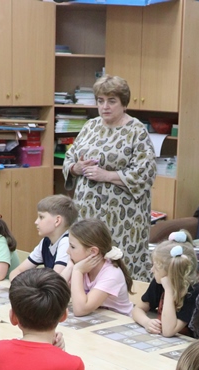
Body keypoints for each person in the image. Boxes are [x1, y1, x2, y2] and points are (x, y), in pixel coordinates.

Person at [62, 75, 156, 281]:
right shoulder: (90, 126)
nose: (105, 106)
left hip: (123, 217)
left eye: (111, 101)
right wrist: (76, 167)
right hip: (88, 212)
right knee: (89, 260)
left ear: (124, 103)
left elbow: (146, 172)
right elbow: (69, 158)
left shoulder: (136, 130)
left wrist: (107, 175)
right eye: (100, 100)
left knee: (120, 265)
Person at [130, 230, 199, 338]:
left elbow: (168, 331)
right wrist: (146, 322)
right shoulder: (159, 282)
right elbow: (137, 309)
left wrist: (168, 289)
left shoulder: (194, 291)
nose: (152, 270)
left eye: (156, 268)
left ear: (172, 272)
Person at [65, 218, 133, 317]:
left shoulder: (111, 273)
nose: (67, 251)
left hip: (120, 322)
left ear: (93, 252)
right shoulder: (82, 266)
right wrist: (69, 268)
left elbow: (80, 310)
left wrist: (77, 271)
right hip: (95, 319)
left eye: (72, 247)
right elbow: (53, 295)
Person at [9, 195, 78, 279]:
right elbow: (17, 272)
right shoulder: (46, 241)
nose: (36, 222)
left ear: (57, 221)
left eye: (41, 217)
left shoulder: (67, 242)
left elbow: (55, 280)